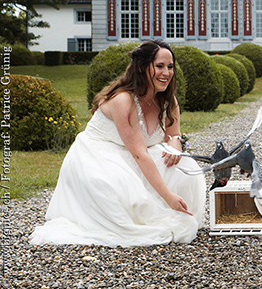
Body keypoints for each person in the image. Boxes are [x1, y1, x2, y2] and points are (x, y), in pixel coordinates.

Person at [30, 40, 206, 247]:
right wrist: (168, 196)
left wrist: (175, 143)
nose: (166, 72)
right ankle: (160, 210)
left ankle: (172, 211)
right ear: (142, 67)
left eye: (170, 67)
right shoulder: (123, 100)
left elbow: (174, 133)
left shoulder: (168, 100)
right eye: (159, 66)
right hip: (98, 156)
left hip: (136, 155)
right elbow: (139, 154)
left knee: (185, 167)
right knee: (120, 191)